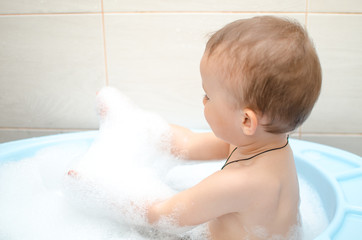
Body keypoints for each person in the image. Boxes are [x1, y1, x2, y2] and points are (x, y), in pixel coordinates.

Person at [146, 15, 322, 240]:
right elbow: (187, 143)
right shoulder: (269, 146)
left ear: (246, 121)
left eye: (208, 95)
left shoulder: (237, 183)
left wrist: (102, 189)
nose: (203, 101)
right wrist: (140, 128)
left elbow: (161, 216)